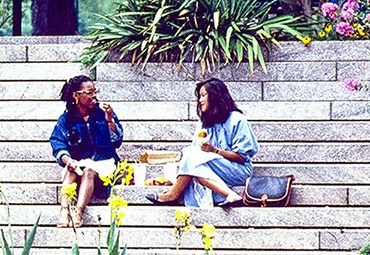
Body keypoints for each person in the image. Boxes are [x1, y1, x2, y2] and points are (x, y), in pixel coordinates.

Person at [146, 78, 257, 208]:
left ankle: (173, 194)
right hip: (208, 168)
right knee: (191, 158)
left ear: (216, 96)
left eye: (203, 95)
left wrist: (215, 151)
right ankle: (230, 195)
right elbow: (194, 156)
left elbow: (242, 157)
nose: (200, 100)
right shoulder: (203, 123)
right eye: (199, 96)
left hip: (237, 170)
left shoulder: (237, 120)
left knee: (191, 157)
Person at [49, 75, 123, 227]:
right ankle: (64, 211)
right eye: (89, 93)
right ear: (76, 95)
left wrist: (109, 119)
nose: (94, 96)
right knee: (72, 170)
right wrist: (68, 160)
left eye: (95, 92)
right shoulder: (66, 119)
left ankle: (78, 212)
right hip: (80, 164)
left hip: (105, 164)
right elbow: (58, 144)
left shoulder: (104, 112)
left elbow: (117, 141)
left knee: (89, 171)